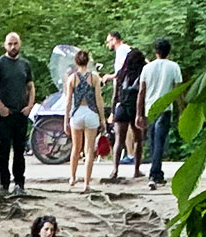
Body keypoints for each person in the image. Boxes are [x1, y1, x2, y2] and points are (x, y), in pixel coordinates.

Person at [0, 32, 36, 195]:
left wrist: (30, 105)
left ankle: (19, 184)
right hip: (5, 114)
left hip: (21, 113)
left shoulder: (25, 64)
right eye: (10, 44)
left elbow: (31, 86)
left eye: (15, 43)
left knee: (19, 150)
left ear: (20, 44)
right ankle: (3, 184)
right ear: (5, 45)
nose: (13, 47)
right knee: (4, 150)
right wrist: (0, 106)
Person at [140, 38, 183, 188]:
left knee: (153, 141)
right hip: (165, 109)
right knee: (159, 142)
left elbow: (141, 92)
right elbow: (178, 91)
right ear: (168, 51)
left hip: (150, 109)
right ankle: (155, 174)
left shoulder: (147, 68)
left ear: (155, 51)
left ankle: (155, 172)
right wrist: (182, 110)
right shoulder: (174, 67)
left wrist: (139, 113)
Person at [62, 48, 103, 193]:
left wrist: (66, 119)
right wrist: (103, 119)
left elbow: (68, 101)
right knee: (89, 150)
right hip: (91, 113)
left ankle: (72, 177)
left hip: (77, 113)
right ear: (88, 60)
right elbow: (99, 100)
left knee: (75, 148)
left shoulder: (72, 78)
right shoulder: (95, 77)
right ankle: (86, 183)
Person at [106, 31, 144, 180]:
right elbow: (143, 93)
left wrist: (113, 109)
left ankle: (115, 170)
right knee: (138, 139)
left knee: (119, 141)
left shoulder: (121, 73)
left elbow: (116, 92)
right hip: (136, 108)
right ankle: (136, 170)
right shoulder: (142, 74)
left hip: (122, 107)